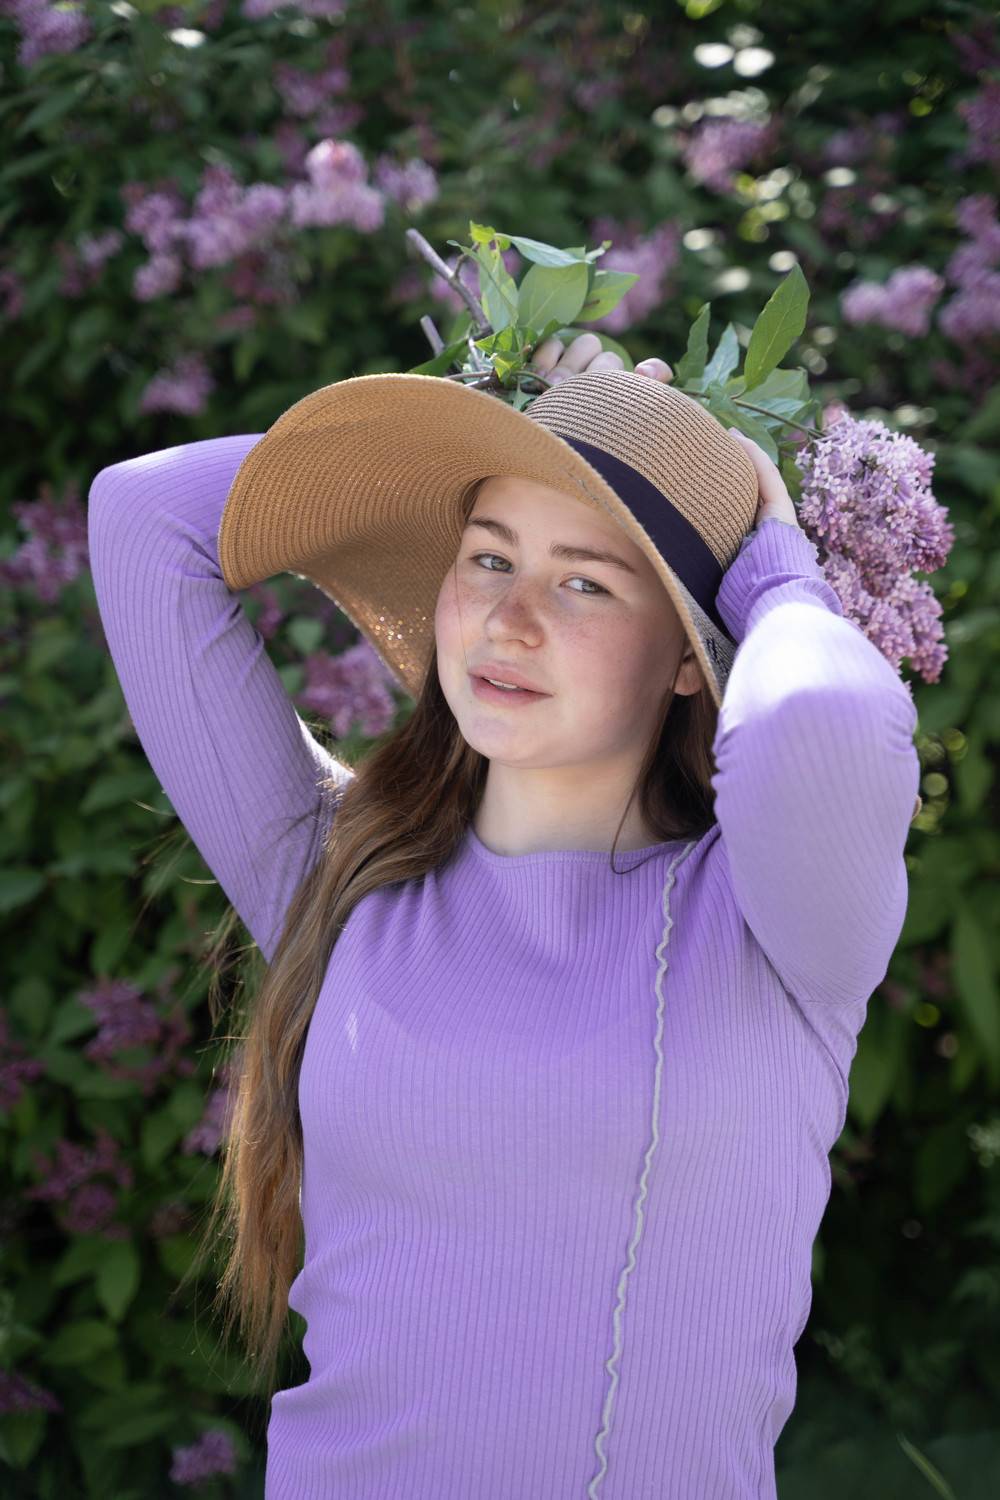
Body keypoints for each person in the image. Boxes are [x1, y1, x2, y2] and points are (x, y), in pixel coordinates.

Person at [86, 335, 921, 1499]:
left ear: (687, 658)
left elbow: (813, 723)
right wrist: (479, 412)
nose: (509, 618)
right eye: (487, 557)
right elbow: (141, 518)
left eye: (584, 581)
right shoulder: (341, 876)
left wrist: (771, 558)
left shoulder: (774, 929)